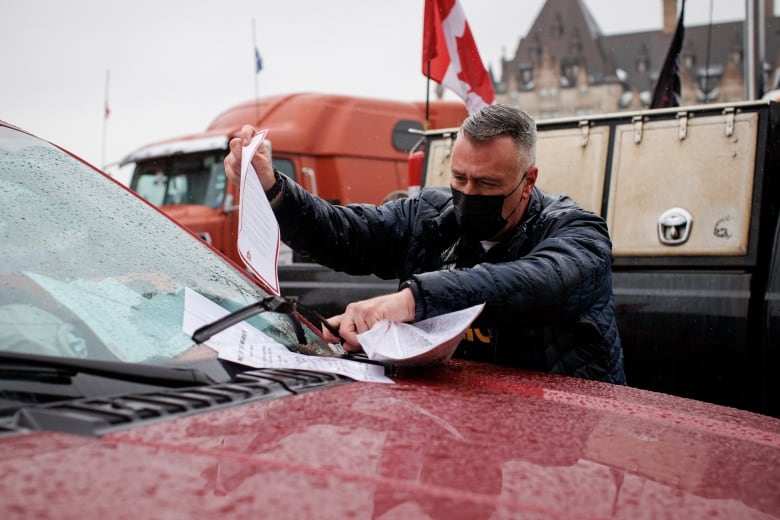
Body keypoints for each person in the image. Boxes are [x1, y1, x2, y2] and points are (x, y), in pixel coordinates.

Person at [224, 104, 626, 384]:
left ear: (529, 180)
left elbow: (532, 282)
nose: (469, 193)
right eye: (460, 179)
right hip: (447, 416)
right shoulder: (429, 217)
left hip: (563, 438)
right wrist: (274, 189)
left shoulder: (579, 234)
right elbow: (344, 233)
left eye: (487, 184)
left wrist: (410, 301)